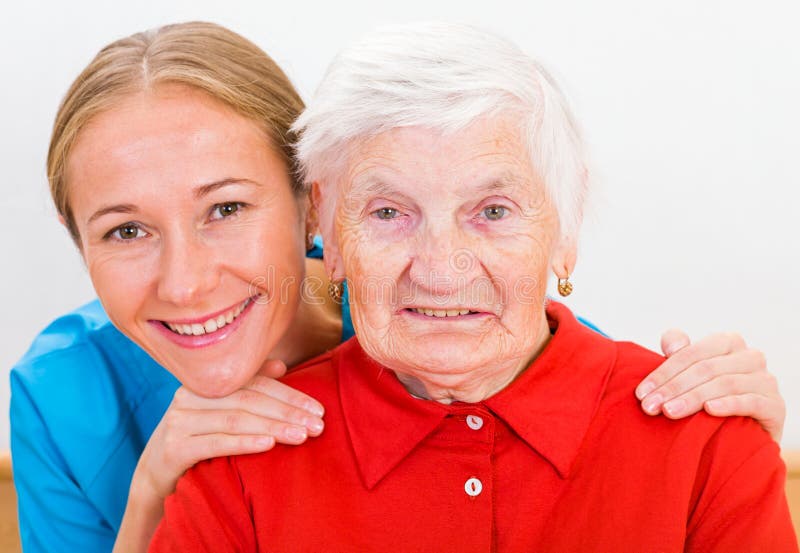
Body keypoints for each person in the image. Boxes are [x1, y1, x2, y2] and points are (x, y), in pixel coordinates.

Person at [9, 21, 786, 553]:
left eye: (226, 207)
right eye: (388, 211)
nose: (186, 281)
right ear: (335, 223)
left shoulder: (457, 322)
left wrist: (724, 429)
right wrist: (155, 482)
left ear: (306, 213)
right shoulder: (78, 400)